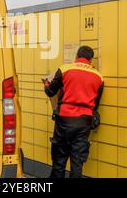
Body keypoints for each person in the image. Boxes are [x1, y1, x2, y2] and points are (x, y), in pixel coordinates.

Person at [42, 46, 104, 178]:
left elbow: (50, 92)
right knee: (77, 163)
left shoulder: (65, 69)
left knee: (59, 162)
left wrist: (46, 84)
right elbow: (95, 105)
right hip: (84, 122)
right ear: (90, 60)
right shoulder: (99, 77)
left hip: (64, 119)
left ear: (77, 56)